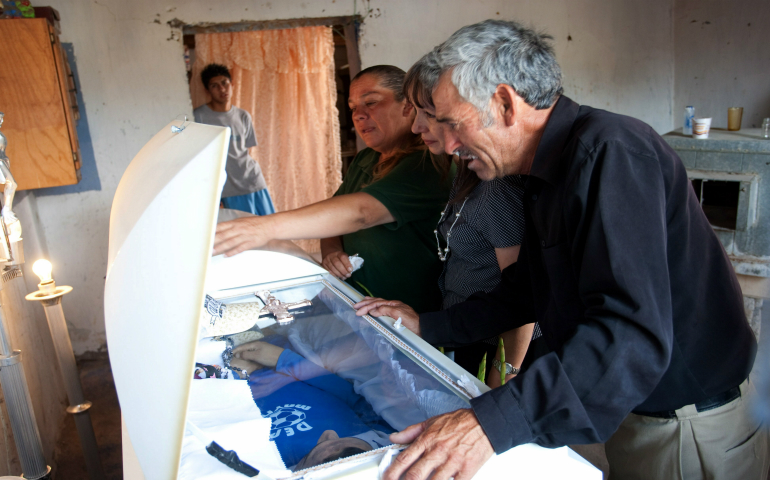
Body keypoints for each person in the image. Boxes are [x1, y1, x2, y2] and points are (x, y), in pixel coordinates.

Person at [371, 20, 767, 480]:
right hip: (639, 410)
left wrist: (488, 424)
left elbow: (628, 331)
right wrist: (429, 325)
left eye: (452, 124)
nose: (450, 145)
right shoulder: (545, 174)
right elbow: (530, 290)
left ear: (503, 103)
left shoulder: (610, 152)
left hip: (684, 423)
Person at [214, 65, 453, 314]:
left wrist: (265, 227)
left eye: (371, 102)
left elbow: (361, 212)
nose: (359, 115)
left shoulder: (428, 163)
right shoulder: (366, 159)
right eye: (352, 108)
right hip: (356, 301)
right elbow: (333, 219)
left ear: (407, 105)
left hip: (404, 313)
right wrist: (332, 252)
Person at [355, 55, 536, 383]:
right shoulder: (465, 171)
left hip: (494, 347)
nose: (416, 127)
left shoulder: (496, 186)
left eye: (430, 114)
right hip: (465, 331)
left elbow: (523, 297)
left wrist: (502, 375)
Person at [199, 337, 393, 470]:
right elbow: (351, 396)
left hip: (219, 383)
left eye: (311, 453)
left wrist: (233, 379)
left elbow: (208, 421)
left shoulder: (262, 466)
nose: (329, 434)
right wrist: (283, 359)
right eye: (345, 442)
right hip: (281, 366)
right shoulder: (384, 440)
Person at [193, 63, 276, 216]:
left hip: (253, 182)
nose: (222, 89)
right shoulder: (199, 117)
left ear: (232, 84)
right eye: (214, 86)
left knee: (268, 231)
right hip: (226, 189)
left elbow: (245, 151)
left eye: (224, 83)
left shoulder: (243, 116)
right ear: (207, 90)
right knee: (241, 234)